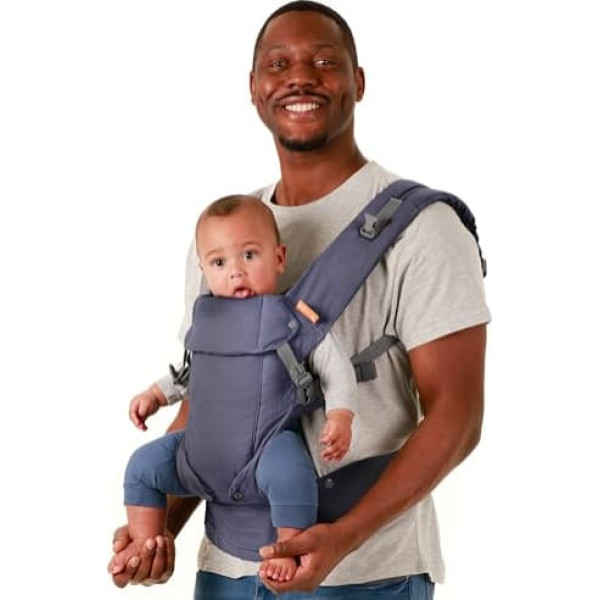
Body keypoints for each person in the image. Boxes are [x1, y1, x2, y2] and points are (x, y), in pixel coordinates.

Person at [110, 1, 490, 598]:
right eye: (278, 64)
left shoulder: (423, 227)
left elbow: (458, 418)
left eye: (324, 62)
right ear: (254, 88)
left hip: (365, 576)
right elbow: (211, 400)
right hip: (227, 571)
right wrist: (159, 534)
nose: (300, 78)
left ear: (357, 81)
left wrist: (342, 538)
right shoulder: (222, 236)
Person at [109, 194, 357, 583]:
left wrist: (341, 415)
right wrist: (156, 395)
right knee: (142, 466)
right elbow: (190, 373)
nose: (236, 272)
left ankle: (289, 547)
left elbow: (337, 369)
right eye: (219, 263)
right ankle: (145, 540)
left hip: (265, 449)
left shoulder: (292, 320)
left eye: (249, 256)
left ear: (279, 257)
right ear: (203, 270)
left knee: (292, 474)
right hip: (198, 454)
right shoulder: (205, 319)